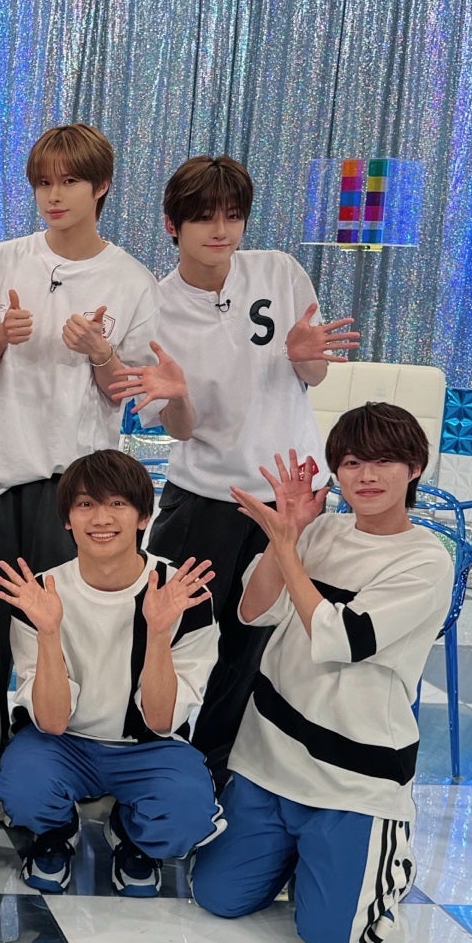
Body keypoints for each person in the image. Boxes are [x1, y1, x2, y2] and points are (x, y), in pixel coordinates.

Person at [109, 155, 358, 783]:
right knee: (173, 629)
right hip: (204, 496)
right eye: (204, 218)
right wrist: (179, 396)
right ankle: (152, 761)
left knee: (255, 645)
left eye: (233, 216)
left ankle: (216, 770)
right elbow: (179, 428)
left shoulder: (280, 271)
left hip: (290, 498)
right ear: (172, 224)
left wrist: (302, 356)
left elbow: (314, 374)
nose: (220, 231)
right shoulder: (156, 305)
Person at [192, 403, 451, 943]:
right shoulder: (321, 531)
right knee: (217, 896)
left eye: (385, 461)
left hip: (353, 775)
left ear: (415, 469)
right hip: (269, 758)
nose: (367, 476)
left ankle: (382, 860)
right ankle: (302, 856)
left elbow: (343, 640)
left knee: (339, 938)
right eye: (353, 462)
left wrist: (287, 546)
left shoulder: (426, 561)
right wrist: (285, 539)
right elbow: (253, 611)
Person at [0, 124, 159, 738]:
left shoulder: (132, 280)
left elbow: (126, 392)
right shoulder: (1, 260)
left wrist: (101, 352)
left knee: (59, 628)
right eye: (43, 183)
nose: (54, 195)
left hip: (75, 486)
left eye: (70, 181)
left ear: (101, 186)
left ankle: (53, 750)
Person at [0, 450, 221, 897]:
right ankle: (58, 831)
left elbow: (161, 720)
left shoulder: (182, 594)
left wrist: (157, 632)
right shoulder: (40, 593)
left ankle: (131, 834)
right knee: (22, 787)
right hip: (63, 743)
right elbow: (52, 721)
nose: (101, 518)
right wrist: (49, 630)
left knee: (187, 813)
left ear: (144, 516)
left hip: (148, 746)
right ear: (67, 519)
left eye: (117, 503)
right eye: (85, 504)